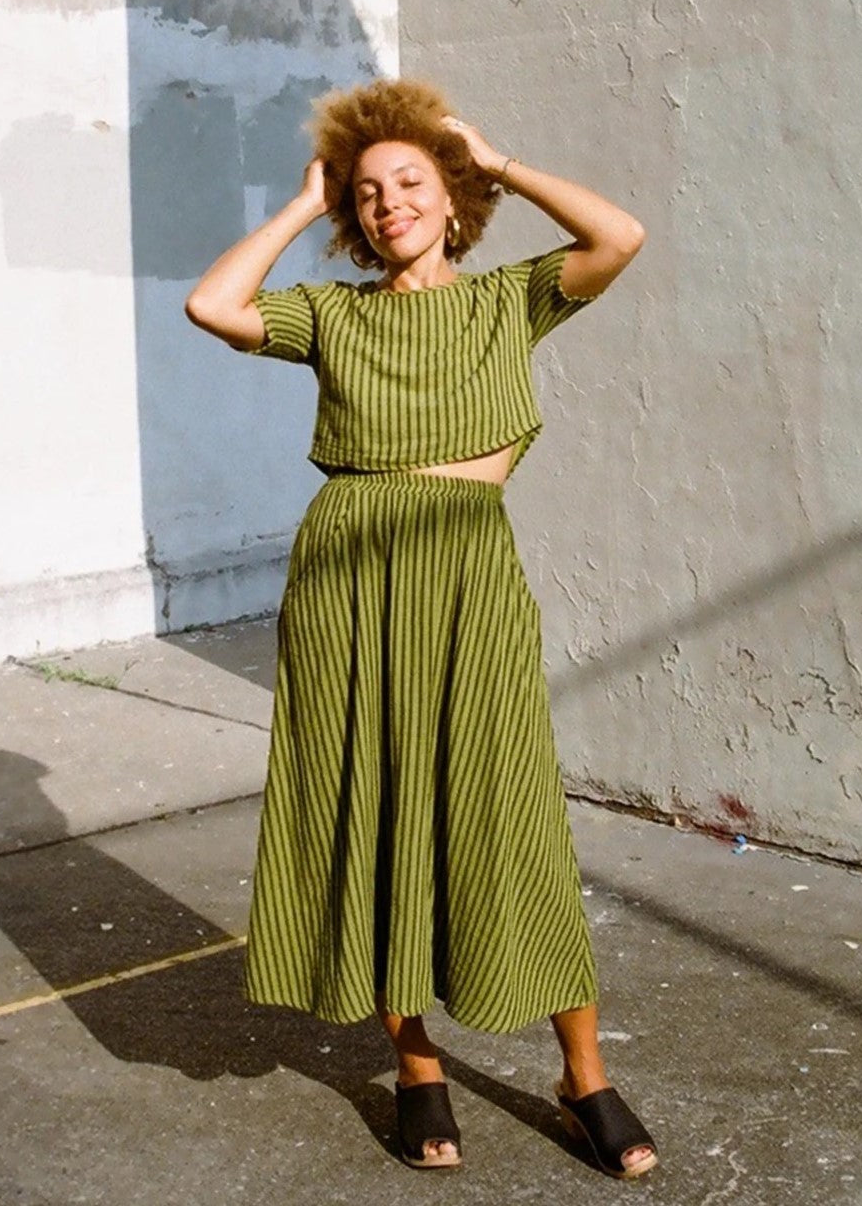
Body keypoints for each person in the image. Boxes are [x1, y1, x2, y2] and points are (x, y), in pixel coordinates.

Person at [185, 77, 656, 1180]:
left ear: (451, 198)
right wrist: (302, 207)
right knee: (378, 805)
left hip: (466, 568)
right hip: (350, 571)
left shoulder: (510, 301)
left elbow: (618, 234)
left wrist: (495, 160)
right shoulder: (333, 316)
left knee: (512, 812)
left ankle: (582, 1073)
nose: (389, 202)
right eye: (367, 191)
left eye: (411, 181)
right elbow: (214, 304)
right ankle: (416, 1067)